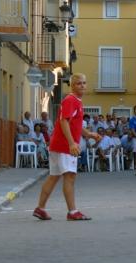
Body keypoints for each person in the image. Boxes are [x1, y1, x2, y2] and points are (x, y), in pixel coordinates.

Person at [32, 73, 101, 221]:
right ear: (72, 85)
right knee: (70, 176)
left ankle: (40, 208)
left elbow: (74, 125)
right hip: (64, 146)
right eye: (78, 83)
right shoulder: (71, 100)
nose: (82, 85)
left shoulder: (76, 101)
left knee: (53, 177)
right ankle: (72, 212)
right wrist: (71, 143)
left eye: (84, 83)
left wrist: (89, 134)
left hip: (58, 145)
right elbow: (64, 121)